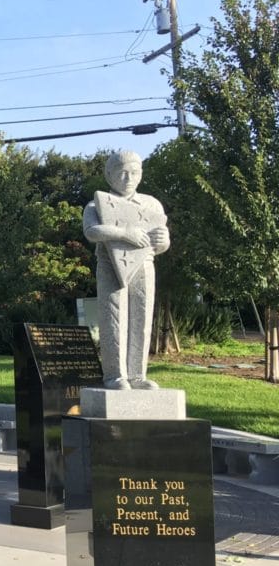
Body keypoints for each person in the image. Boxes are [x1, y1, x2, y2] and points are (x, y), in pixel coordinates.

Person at [82, 150, 170, 390]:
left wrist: (163, 240)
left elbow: (161, 240)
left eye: (134, 172)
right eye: (121, 173)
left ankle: (137, 374)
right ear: (109, 175)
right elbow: (92, 232)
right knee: (113, 316)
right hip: (110, 265)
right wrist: (124, 233)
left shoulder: (152, 204)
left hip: (144, 264)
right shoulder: (96, 204)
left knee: (142, 317)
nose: (128, 178)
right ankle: (115, 375)